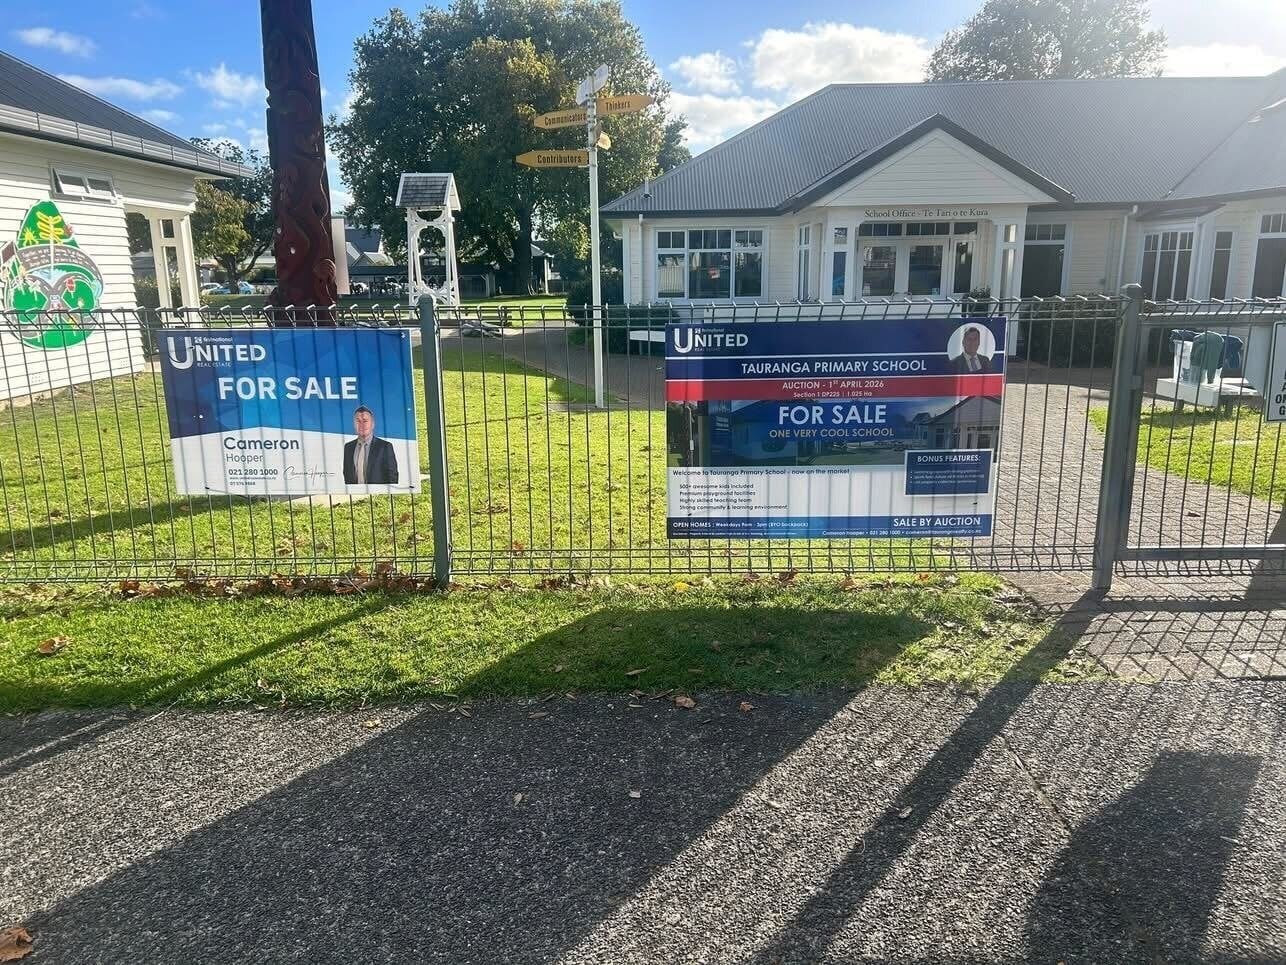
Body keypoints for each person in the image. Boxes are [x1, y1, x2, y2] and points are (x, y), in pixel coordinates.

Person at [343, 405, 399, 484]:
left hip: (378, 494)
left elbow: (393, 477)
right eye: (358, 421)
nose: (361, 424)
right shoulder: (348, 447)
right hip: (355, 494)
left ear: (372, 424)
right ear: (354, 424)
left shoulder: (385, 447)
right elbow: (347, 474)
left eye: (365, 421)